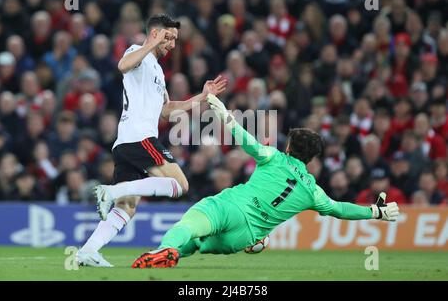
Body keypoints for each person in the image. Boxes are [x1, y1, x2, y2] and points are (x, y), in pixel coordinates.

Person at [131, 94, 400, 269]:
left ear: (290, 147)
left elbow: (247, 142)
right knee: (199, 244)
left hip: (231, 206)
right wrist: (375, 211)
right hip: (245, 237)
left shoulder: (274, 158)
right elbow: (340, 209)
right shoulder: (313, 192)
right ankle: (170, 255)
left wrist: (225, 115)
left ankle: (165, 250)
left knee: (190, 225)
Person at [76, 15, 227, 267]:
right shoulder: (138, 52)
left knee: (127, 207)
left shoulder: (157, 70)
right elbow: (123, 65)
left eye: (176, 40)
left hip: (127, 142)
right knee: (180, 184)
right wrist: (148, 44)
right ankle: (110, 192)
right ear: (155, 33)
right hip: (139, 138)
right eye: (169, 38)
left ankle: (88, 251)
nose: (172, 45)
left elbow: (167, 111)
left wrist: (202, 97)